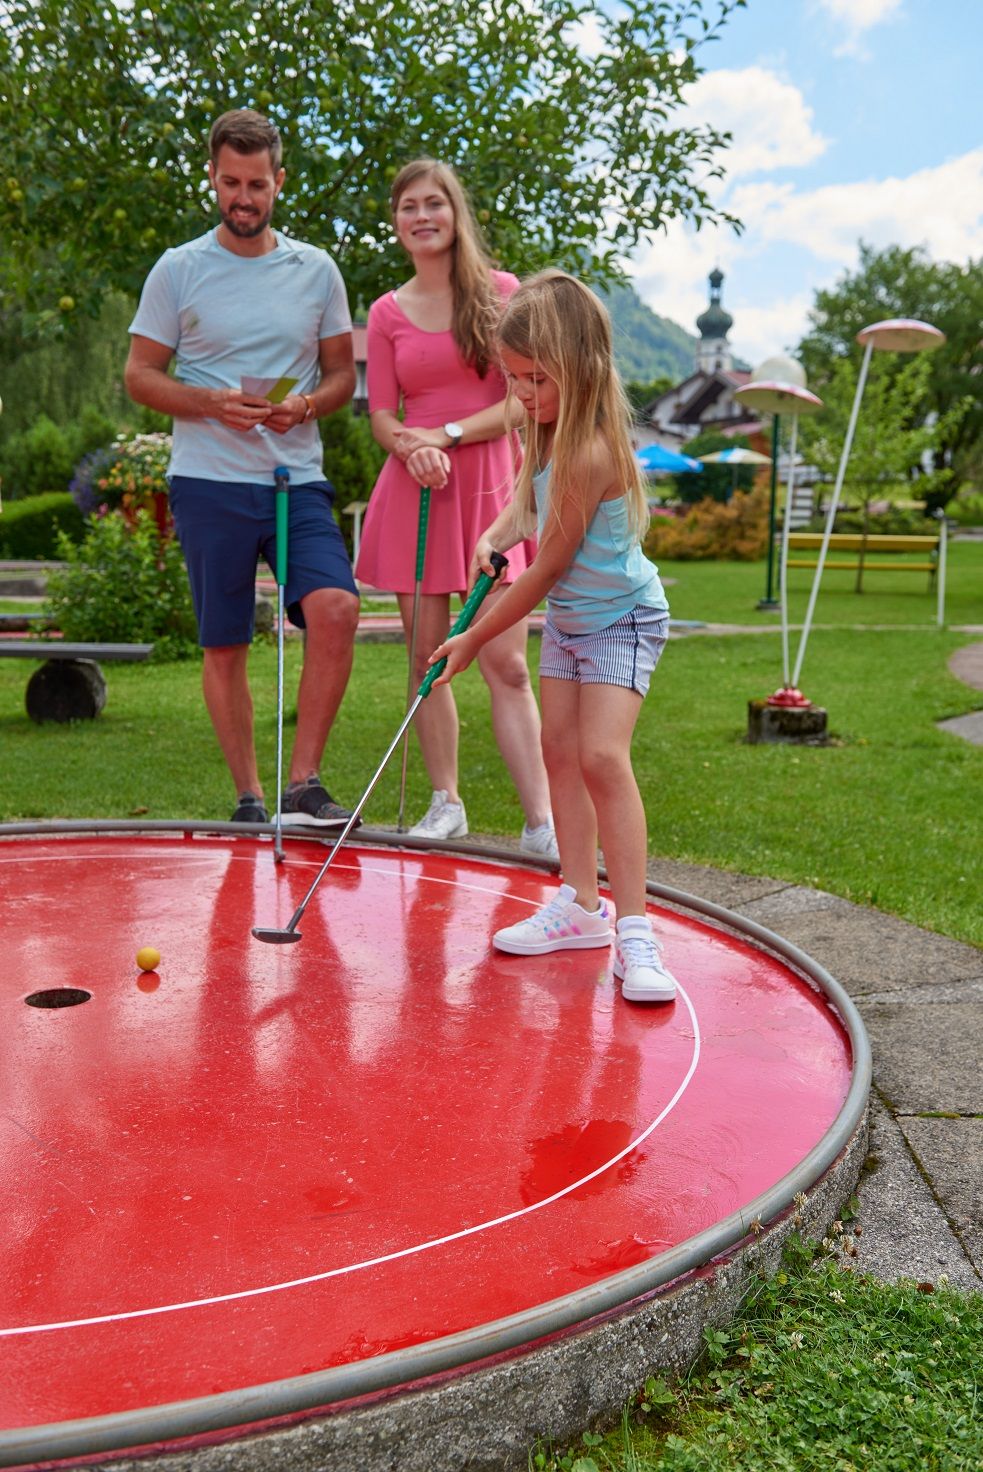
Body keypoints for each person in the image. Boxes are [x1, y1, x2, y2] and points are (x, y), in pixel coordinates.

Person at [428, 270, 676, 1004]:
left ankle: (634, 929)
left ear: (581, 368)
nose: (523, 394)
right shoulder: (545, 428)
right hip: (574, 619)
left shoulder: (593, 448)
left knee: (600, 756)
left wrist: (470, 636)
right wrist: (494, 533)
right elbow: (527, 517)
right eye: (514, 378)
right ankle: (579, 905)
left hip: (621, 618)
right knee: (558, 754)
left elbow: (542, 574)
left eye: (535, 379)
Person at [124, 108, 360, 827]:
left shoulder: (316, 269)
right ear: (213, 177)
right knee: (224, 643)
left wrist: (309, 406)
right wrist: (208, 403)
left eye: (257, 184)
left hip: (296, 478)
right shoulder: (180, 268)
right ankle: (250, 798)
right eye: (231, 182)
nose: (243, 198)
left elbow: (343, 375)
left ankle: (305, 784)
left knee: (337, 608)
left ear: (279, 182)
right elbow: (139, 375)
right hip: (208, 482)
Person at [355, 159, 557, 856]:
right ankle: (446, 802)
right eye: (408, 206)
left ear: (454, 213)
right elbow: (381, 414)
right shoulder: (385, 312)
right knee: (427, 661)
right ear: (396, 222)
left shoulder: (501, 295)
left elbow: (520, 399)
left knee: (506, 664)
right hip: (416, 490)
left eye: (433, 203)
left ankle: (540, 821)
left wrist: (442, 435)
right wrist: (411, 449)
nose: (421, 216)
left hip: (486, 489)